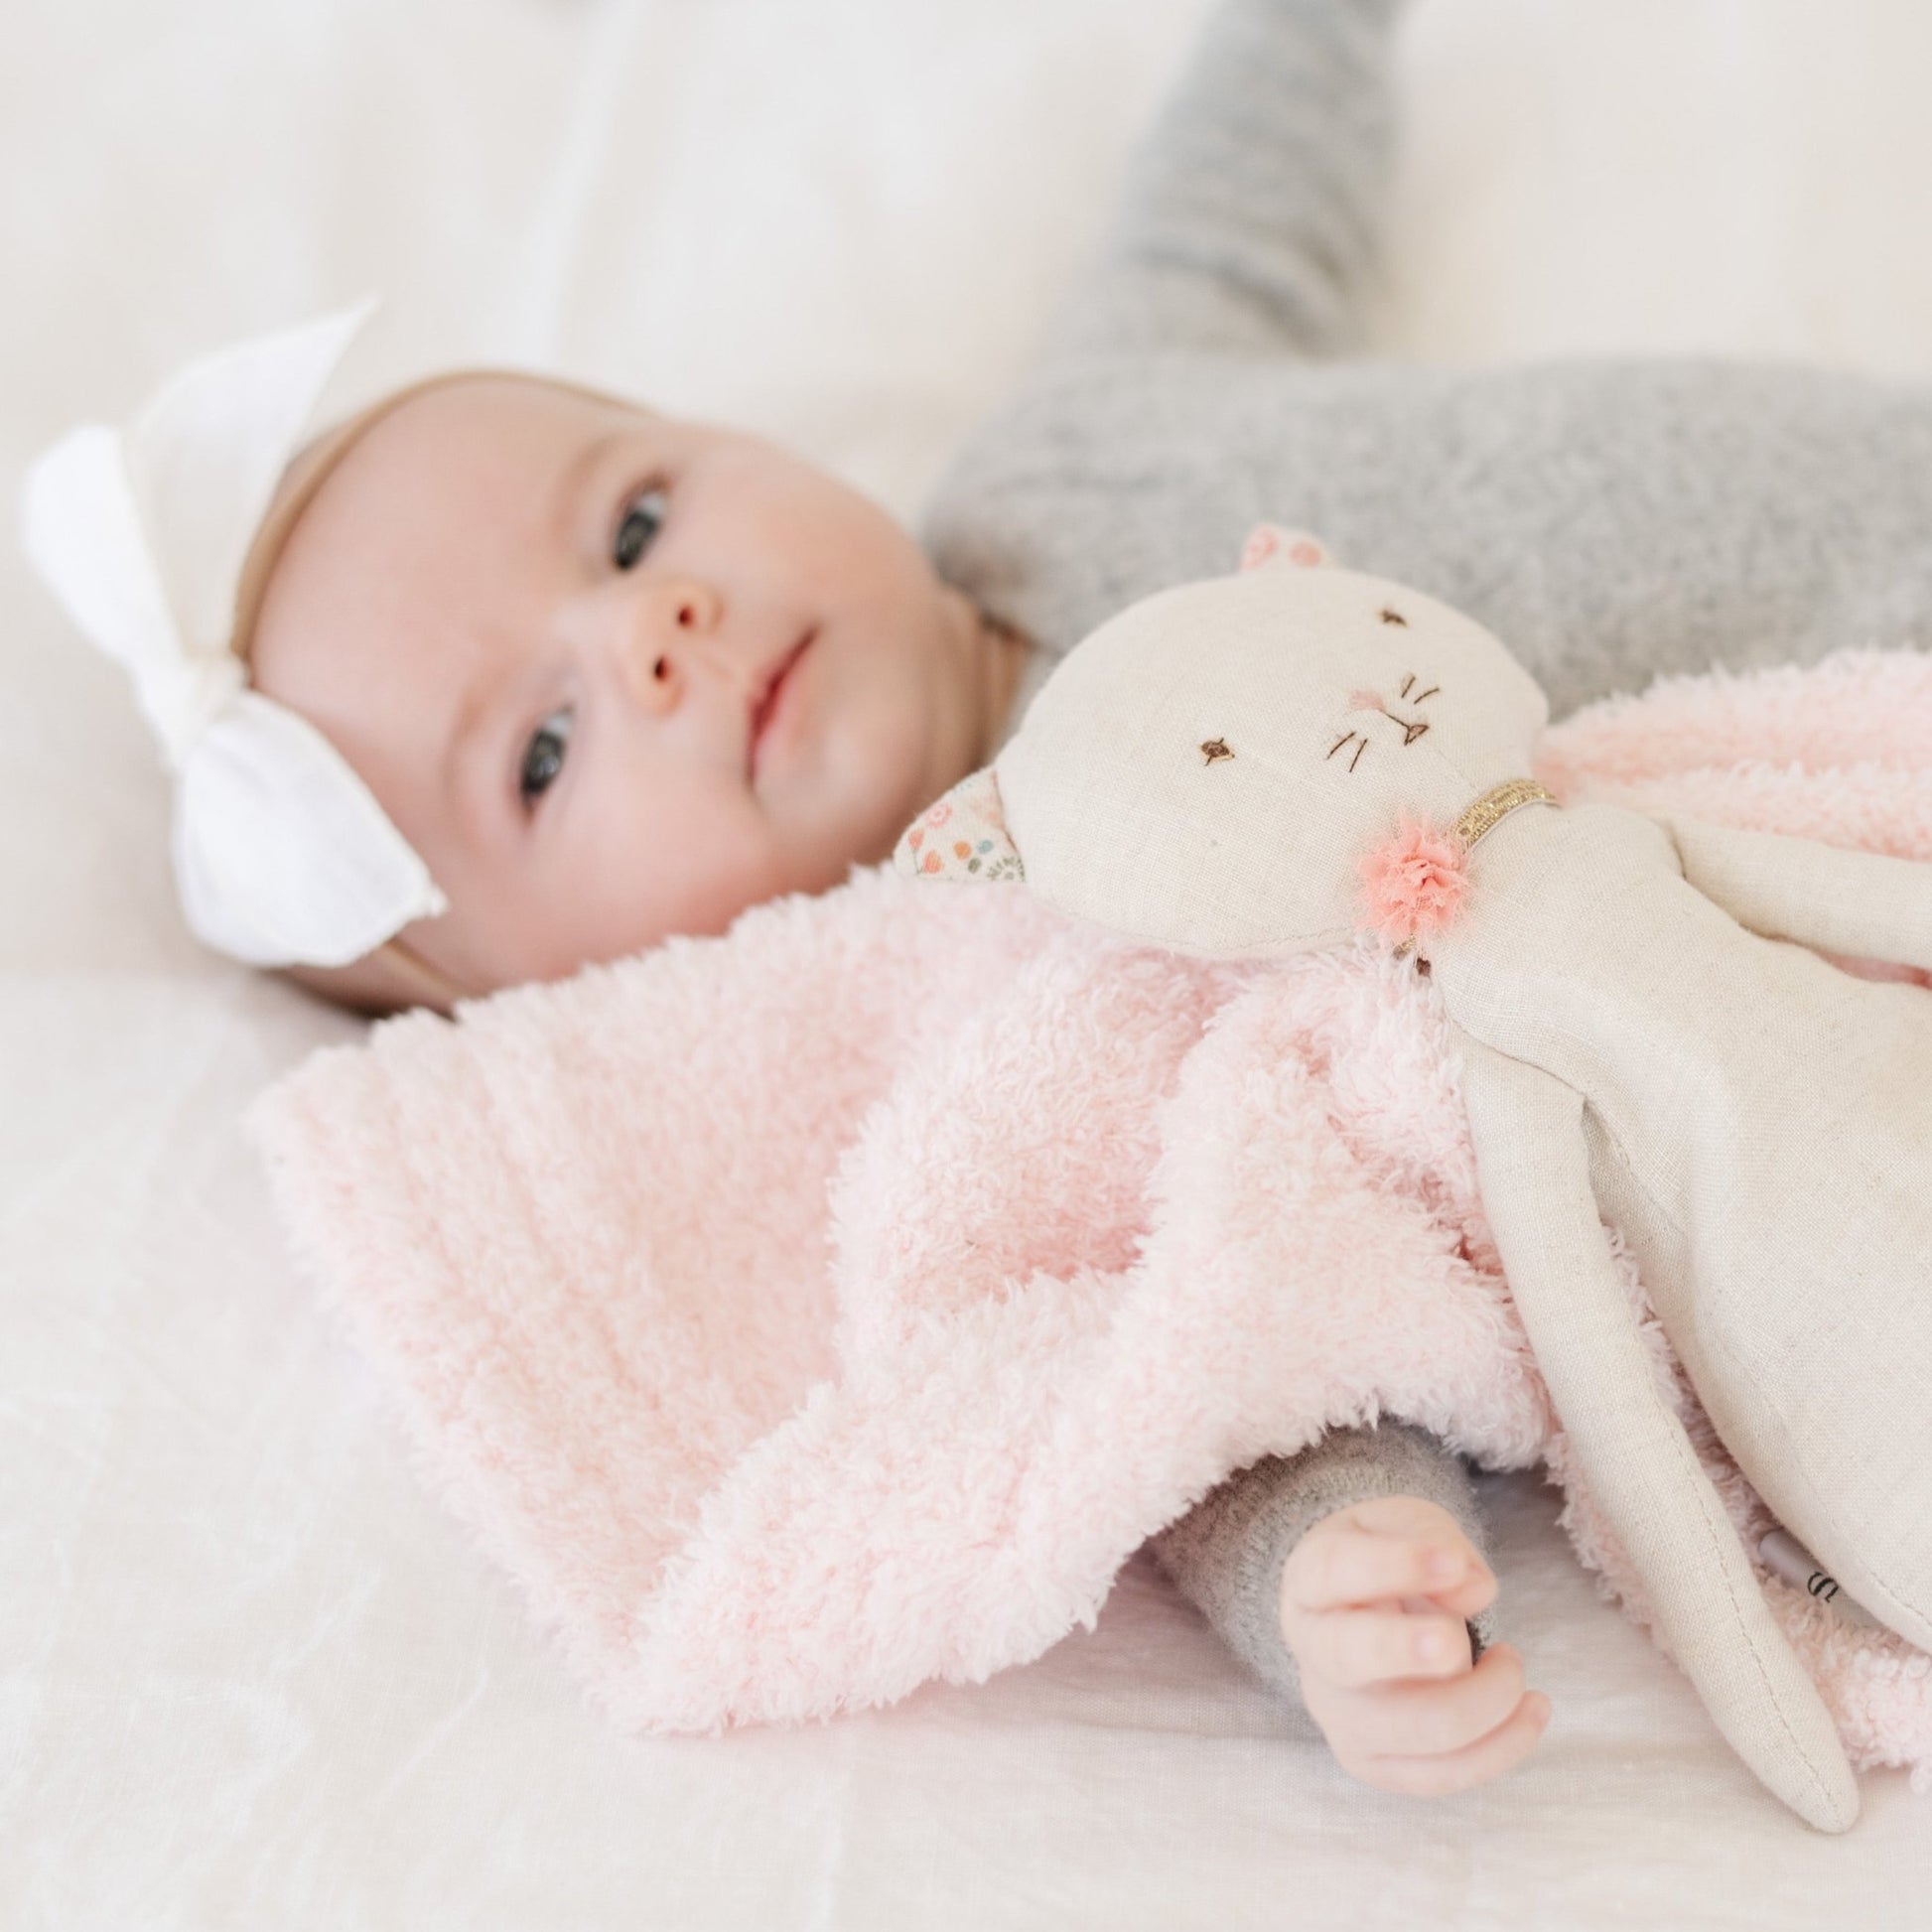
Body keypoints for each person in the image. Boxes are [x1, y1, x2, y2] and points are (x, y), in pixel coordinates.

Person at [37, 0, 1932, 1796]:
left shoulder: (1068, 436)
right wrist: (1329, 1568)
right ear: (569, 984)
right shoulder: (1011, 1001)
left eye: (632, 523)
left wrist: (1302, 32)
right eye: (542, 750)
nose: (653, 628)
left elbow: (1233, 223)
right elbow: (1226, 1315)